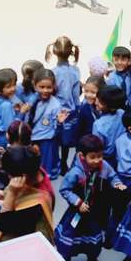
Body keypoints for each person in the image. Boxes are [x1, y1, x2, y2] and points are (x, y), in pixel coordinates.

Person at [55, 135, 125, 261]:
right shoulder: (75, 172)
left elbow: (112, 175)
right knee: (71, 237)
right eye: (93, 157)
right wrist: (78, 202)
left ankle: (92, 259)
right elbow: (64, 189)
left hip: (95, 211)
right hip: (77, 211)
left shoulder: (104, 166)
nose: (97, 160)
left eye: (100, 156)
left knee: (95, 239)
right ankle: (67, 259)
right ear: (82, 156)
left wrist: (117, 183)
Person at [48, 36, 82, 174]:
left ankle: (55, 163)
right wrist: (77, 108)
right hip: (70, 110)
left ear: (54, 51)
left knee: (55, 137)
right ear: (71, 52)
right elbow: (76, 94)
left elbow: (51, 93)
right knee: (66, 141)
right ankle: (64, 163)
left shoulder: (53, 72)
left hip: (56, 110)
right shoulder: (75, 70)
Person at [27, 69, 67, 180]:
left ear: (53, 86)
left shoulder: (55, 105)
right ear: (35, 86)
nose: (45, 90)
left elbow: (57, 129)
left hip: (47, 140)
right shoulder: (31, 99)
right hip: (31, 138)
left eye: (49, 87)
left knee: (45, 167)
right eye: (42, 87)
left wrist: (59, 122)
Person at [0, 69, 19, 149]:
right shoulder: (6, 105)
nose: (13, 88)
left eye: (14, 85)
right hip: (3, 138)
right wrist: (21, 113)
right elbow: (10, 127)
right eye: (8, 87)